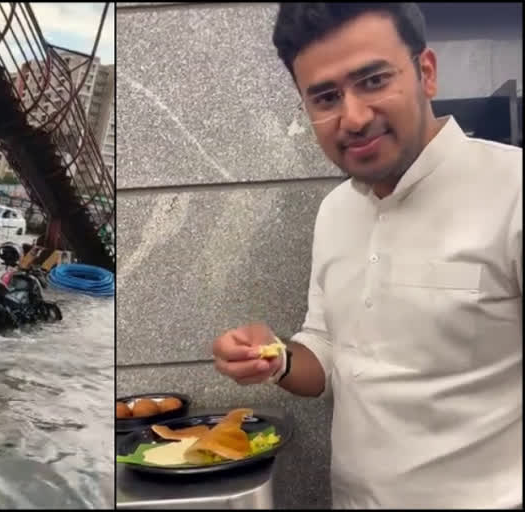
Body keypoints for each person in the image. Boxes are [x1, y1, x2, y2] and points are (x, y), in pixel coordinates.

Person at [212, 4, 521, 509]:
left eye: (374, 80)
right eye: (326, 96)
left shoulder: (513, 192)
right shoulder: (335, 212)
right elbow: (328, 356)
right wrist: (276, 357)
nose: (353, 117)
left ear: (426, 72)